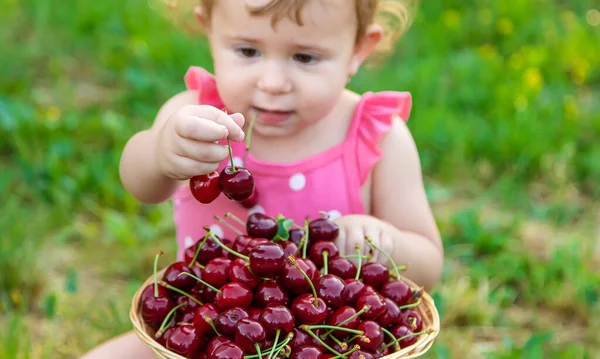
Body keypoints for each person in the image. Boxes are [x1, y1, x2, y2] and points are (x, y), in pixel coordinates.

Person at [81, 0, 443, 357]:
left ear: (357, 50)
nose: (272, 83)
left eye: (305, 58)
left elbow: (427, 263)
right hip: (208, 336)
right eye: (247, 50)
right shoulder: (196, 120)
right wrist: (161, 154)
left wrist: (387, 242)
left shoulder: (377, 137)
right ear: (210, 32)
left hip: (330, 345)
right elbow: (140, 185)